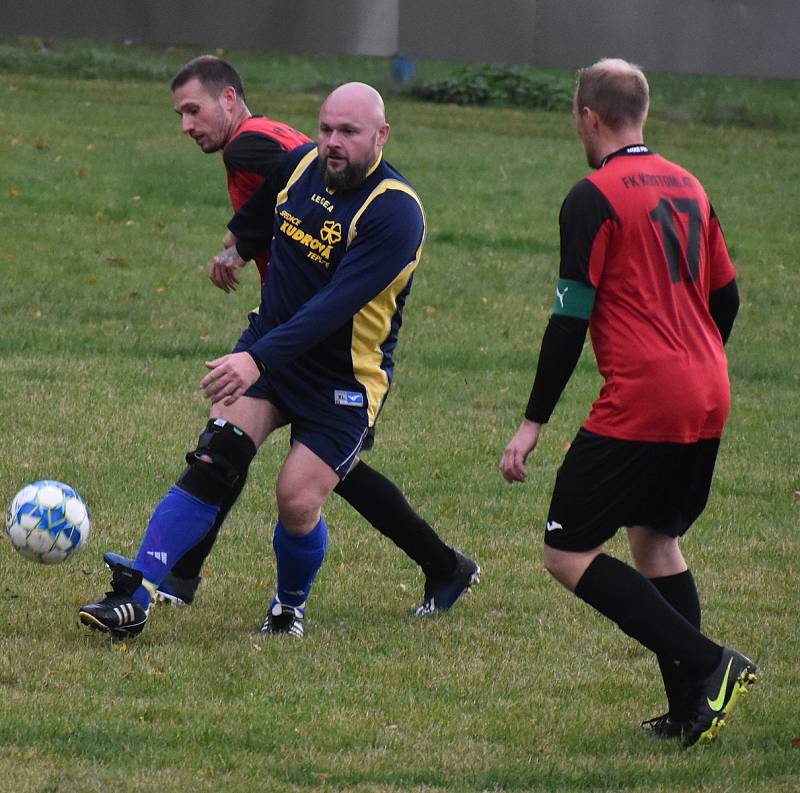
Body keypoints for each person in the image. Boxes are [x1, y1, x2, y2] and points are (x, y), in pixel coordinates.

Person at [81, 80, 478, 642]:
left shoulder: (396, 213)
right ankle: (138, 593)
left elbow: (333, 307)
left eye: (348, 132)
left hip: (344, 378)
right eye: (326, 128)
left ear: (381, 135)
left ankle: (288, 608)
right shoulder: (300, 165)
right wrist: (236, 250)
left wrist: (255, 361)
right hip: (273, 351)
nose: (332, 142)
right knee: (215, 459)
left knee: (296, 498)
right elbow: (264, 209)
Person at [499, 59, 758, 747]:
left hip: (649, 395)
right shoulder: (690, 184)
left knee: (566, 550)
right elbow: (726, 297)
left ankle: (711, 664)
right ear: (641, 111)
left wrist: (530, 425)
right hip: (709, 388)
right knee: (654, 540)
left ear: (587, 115)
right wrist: (695, 354)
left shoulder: (593, 195)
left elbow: (569, 318)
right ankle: (690, 710)